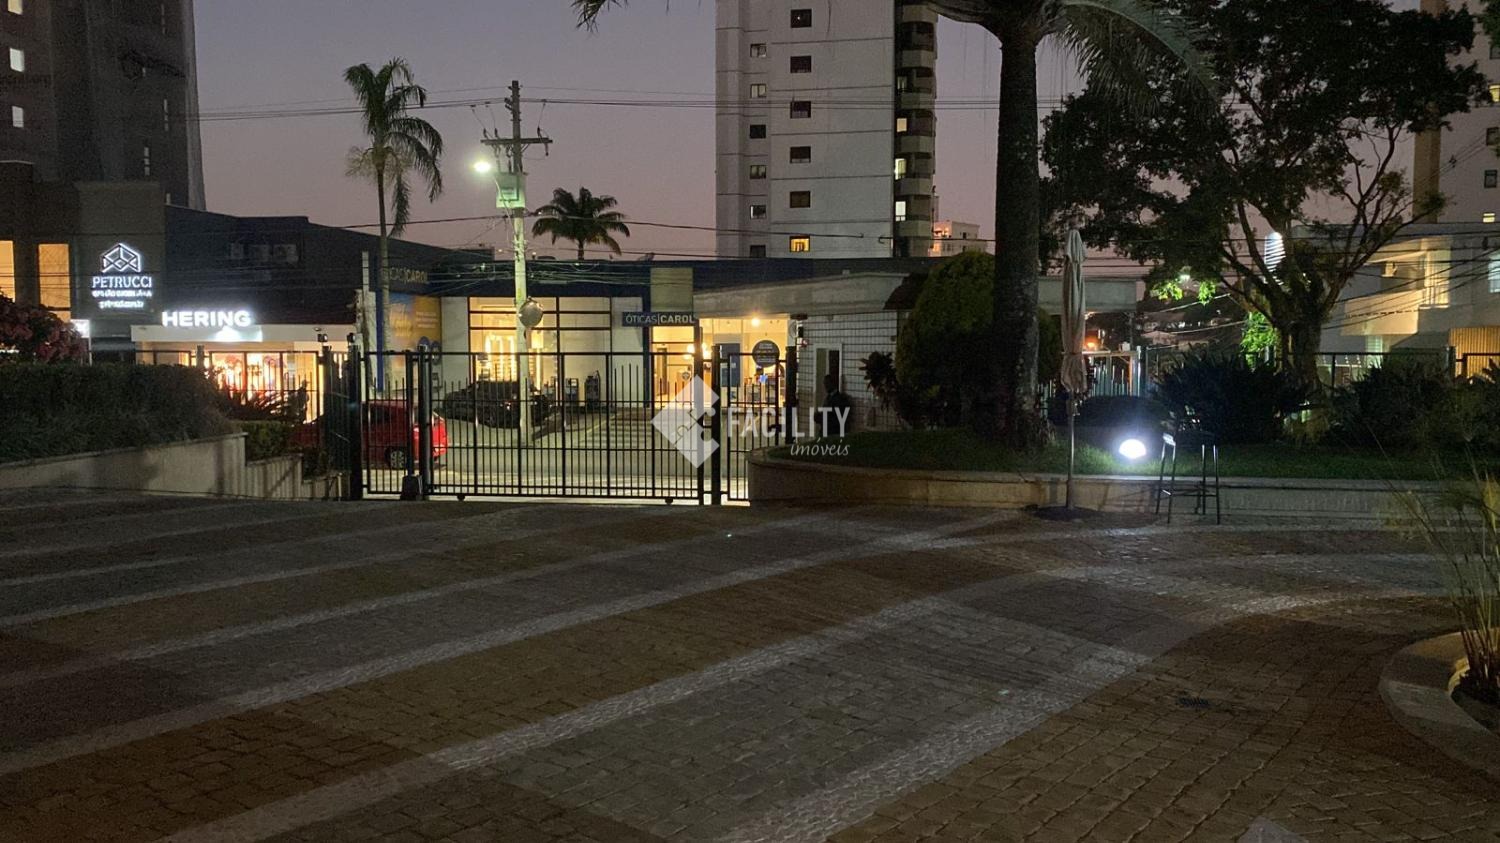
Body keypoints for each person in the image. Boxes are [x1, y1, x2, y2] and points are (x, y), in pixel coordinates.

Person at [819, 373, 853, 438]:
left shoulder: (840, 399)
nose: (825, 386)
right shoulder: (828, 398)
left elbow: (838, 417)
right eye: (824, 383)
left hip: (834, 433)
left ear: (833, 383)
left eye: (827, 383)